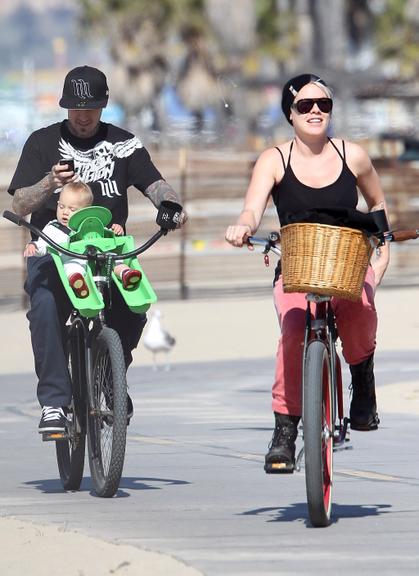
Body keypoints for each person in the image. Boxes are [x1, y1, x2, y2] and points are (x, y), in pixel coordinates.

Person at [225, 73, 390, 473]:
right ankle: (285, 428)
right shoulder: (274, 159)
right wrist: (243, 225)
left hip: (348, 261)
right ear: (290, 113)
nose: (315, 111)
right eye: (305, 105)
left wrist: (382, 251)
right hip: (298, 268)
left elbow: (378, 204)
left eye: (324, 105)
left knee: (360, 313)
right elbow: (252, 207)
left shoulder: (354, 155)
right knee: (293, 331)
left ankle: (362, 382)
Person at [8, 65, 185, 434]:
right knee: (43, 307)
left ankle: (109, 374)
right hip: (54, 252)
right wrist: (49, 182)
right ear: (64, 107)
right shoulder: (41, 143)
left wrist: (170, 206)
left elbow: (157, 185)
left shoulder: (124, 143)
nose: (83, 116)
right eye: (75, 108)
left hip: (106, 253)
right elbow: (22, 203)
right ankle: (55, 403)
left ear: (104, 105)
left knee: (135, 307)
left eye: (90, 108)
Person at [24, 181, 142, 298]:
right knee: (71, 268)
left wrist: (116, 231)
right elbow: (43, 244)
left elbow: (106, 235)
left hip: (99, 259)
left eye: (72, 209)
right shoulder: (53, 228)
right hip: (75, 261)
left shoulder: (91, 224)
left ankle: (126, 274)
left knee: (113, 258)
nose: (65, 212)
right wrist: (34, 246)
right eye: (61, 206)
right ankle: (78, 284)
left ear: (85, 211)